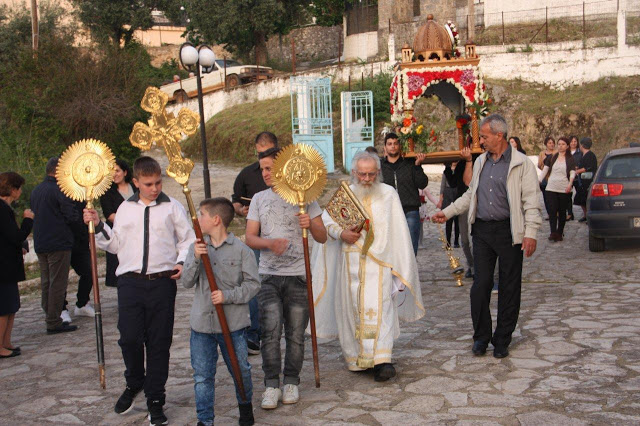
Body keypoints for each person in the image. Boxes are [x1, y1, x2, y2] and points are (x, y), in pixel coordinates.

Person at [83, 156, 195, 425]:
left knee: (159, 343)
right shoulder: (125, 209)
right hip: (130, 283)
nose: (155, 188)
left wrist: (181, 262)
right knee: (129, 338)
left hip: (162, 283)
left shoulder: (173, 207)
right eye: (148, 184)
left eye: (157, 182)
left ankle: (155, 399)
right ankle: (135, 382)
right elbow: (115, 244)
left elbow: (188, 239)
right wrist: (98, 225)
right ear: (135, 182)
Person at [432, 114, 542, 359]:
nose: (480, 141)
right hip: (482, 231)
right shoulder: (481, 162)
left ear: (499, 135)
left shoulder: (522, 164)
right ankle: (481, 337)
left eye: (484, 136)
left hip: (509, 231)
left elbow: (531, 202)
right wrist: (447, 212)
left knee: (509, 286)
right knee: (480, 286)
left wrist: (531, 233)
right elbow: (470, 195)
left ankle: (502, 339)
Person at [311, 151, 425, 381]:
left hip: (379, 264)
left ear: (378, 173)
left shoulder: (388, 194)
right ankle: (357, 358)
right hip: (350, 264)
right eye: (362, 174)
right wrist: (342, 232)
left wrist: (400, 267)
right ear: (354, 173)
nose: (366, 179)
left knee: (381, 308)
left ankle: (382, 360)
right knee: (351, 309)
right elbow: (328, 222)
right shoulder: (346, 194)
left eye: (371, 174)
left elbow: (399, 232)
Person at [245, 147, 327, 410]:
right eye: (263, 169)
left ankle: (291, 380)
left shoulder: (306, 196)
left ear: (283, 168)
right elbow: (249, 238)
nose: (266, 173)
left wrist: (309, 223)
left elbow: (322, 236)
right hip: (268, 275)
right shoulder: (258, 199)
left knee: (295, 334)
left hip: (299, 276)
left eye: (270, 168)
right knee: (269, 333)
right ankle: (271, 384)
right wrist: (269, 244)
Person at [181, 198, 259, 426]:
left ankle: (245, 410)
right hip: (202, 325)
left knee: (240, 369)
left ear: (215, 220)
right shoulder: (195, 247)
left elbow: (253, 285)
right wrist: (196, 258)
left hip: (233, 325)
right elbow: (186, 281)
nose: (197, 220)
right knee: (203, 377)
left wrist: (228, 296)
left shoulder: (242, 250)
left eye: (202, 214)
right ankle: (205, 421)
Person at [231, 131, 278, 356]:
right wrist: (242, 210)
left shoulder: (288, 173)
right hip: (256, 237)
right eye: (261, 154)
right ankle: (254, 333)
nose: (264, 158)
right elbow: (235, 202)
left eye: (269, 153)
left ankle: (278, 330)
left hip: (281, 237)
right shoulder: (246, 174)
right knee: (255, 283)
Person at [30, 157, 78, 334]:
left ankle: (49, 315)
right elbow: (70, 215)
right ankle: (53, 320)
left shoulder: (36, 190)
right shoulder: (60, 189)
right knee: (58, 282)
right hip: (58, 241)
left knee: (46, 281)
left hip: (41, 241)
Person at [0, 172, 34, 358]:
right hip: (3, 266)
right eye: (19, 188)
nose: (20, 191)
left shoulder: (5, 208)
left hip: (8, 264)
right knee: (4, 307)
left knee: (11, 306)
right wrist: (28, 220)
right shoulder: (2, 209)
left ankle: (6, 342)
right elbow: (15, 236)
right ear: (12, 189)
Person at [380, 132, 428, 255]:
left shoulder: (410, 163)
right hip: (388, 212)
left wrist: (418, 166)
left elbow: (422, 184)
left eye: (396, 143)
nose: (393, 146)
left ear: (400, 146)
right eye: (389, 144)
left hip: (410, 210)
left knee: (411, 250)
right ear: (385, 147)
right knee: (391, 251)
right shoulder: (380, 166)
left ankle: (409, 274)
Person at [99, 159, 136, 287]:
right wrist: (130, 222)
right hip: (118, 232)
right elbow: (109, 215)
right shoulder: (106, 192)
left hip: (138, 231)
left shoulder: (135, 187)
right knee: (118, 263)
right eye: (111, 172)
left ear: (125, 172)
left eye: (117, 171)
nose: (114, 174)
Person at [442, 147, 475, 278]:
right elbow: (453, 182)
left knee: (477, 240)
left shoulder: (484, 159)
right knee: (465, 240)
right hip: (463, 203)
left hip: (480, 204)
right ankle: (471, 265)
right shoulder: (462, 163)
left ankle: (480, 267)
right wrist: (448, 167)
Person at [538, 137, 576, 242]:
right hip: (551, 187)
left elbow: (572, 172)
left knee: (562, 211)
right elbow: (545, 169)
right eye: (559, 144)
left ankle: (560, 232)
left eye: (563, 144)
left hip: (564, 188)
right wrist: (539, 180)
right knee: (552, 210)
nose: (560, 146)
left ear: (567, 146)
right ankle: (553, 232)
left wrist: (570, 184)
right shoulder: (552, 157)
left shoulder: (570, 159)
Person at [574, 137, 597, 222]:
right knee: (581, 199)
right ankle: (585, 215)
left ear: (582, 145)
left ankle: (588, 216)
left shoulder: (590, 155)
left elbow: (588, 167)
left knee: (586, 199)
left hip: (587, 180)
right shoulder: (583, 155)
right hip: (582, 180)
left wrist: (577, 171)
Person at [439, 162, 460, 248]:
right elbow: (442, 185)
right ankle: (448, 242)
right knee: (448, 220)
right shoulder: (446, 171)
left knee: (457, 220)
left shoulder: (459, 170)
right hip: (448, 195)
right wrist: (441, 198)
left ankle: (456, 241)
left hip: (457, 193)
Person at [537, 137, 556, 219]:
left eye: (552, 143)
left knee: (554, 197)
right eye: (549, 143)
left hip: (554, 177)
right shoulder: (542, 153)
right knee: (546, 197)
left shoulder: (557, 153)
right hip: (545, 177)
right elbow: (539, 164)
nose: (551, 144)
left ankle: (556, 213)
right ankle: (549, 213)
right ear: (546, 144)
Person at [567, 136, 582, 221]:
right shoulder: (566, 152)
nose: (573, 143)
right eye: (571, 141)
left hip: (578, 176)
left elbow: (582, 162)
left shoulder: (580, 152)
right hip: (568, 176)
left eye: (575, 141)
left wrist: (578, 167)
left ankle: (585, 213)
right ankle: (569, 213)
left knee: (580, 194)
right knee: (568, 195)